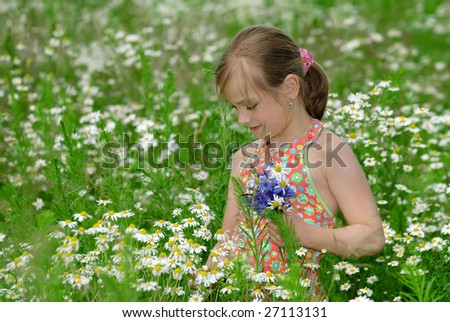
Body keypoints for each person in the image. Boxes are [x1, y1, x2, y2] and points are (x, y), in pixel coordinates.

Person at [205, 25, 385, 300]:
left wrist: (303, 234)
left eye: (250, 106)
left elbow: (372, 237)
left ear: (290, 87)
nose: (241, 119)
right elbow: (227, 240)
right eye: (235, 108)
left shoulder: (329, 152)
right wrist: (200, 284)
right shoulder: (245, 157)